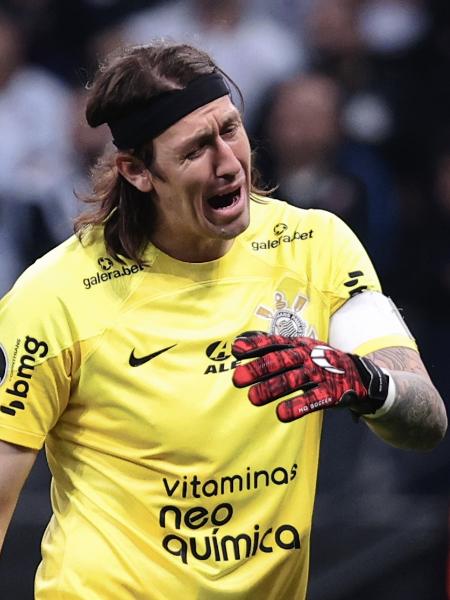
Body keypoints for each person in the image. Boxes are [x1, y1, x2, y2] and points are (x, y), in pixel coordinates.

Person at [0, 41, 446, 600]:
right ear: (138, 171)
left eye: (230, 129)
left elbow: (426, 419)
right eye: (195, 150)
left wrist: (369, 386)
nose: (229, 161)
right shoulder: (56, 297)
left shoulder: (316, 247)